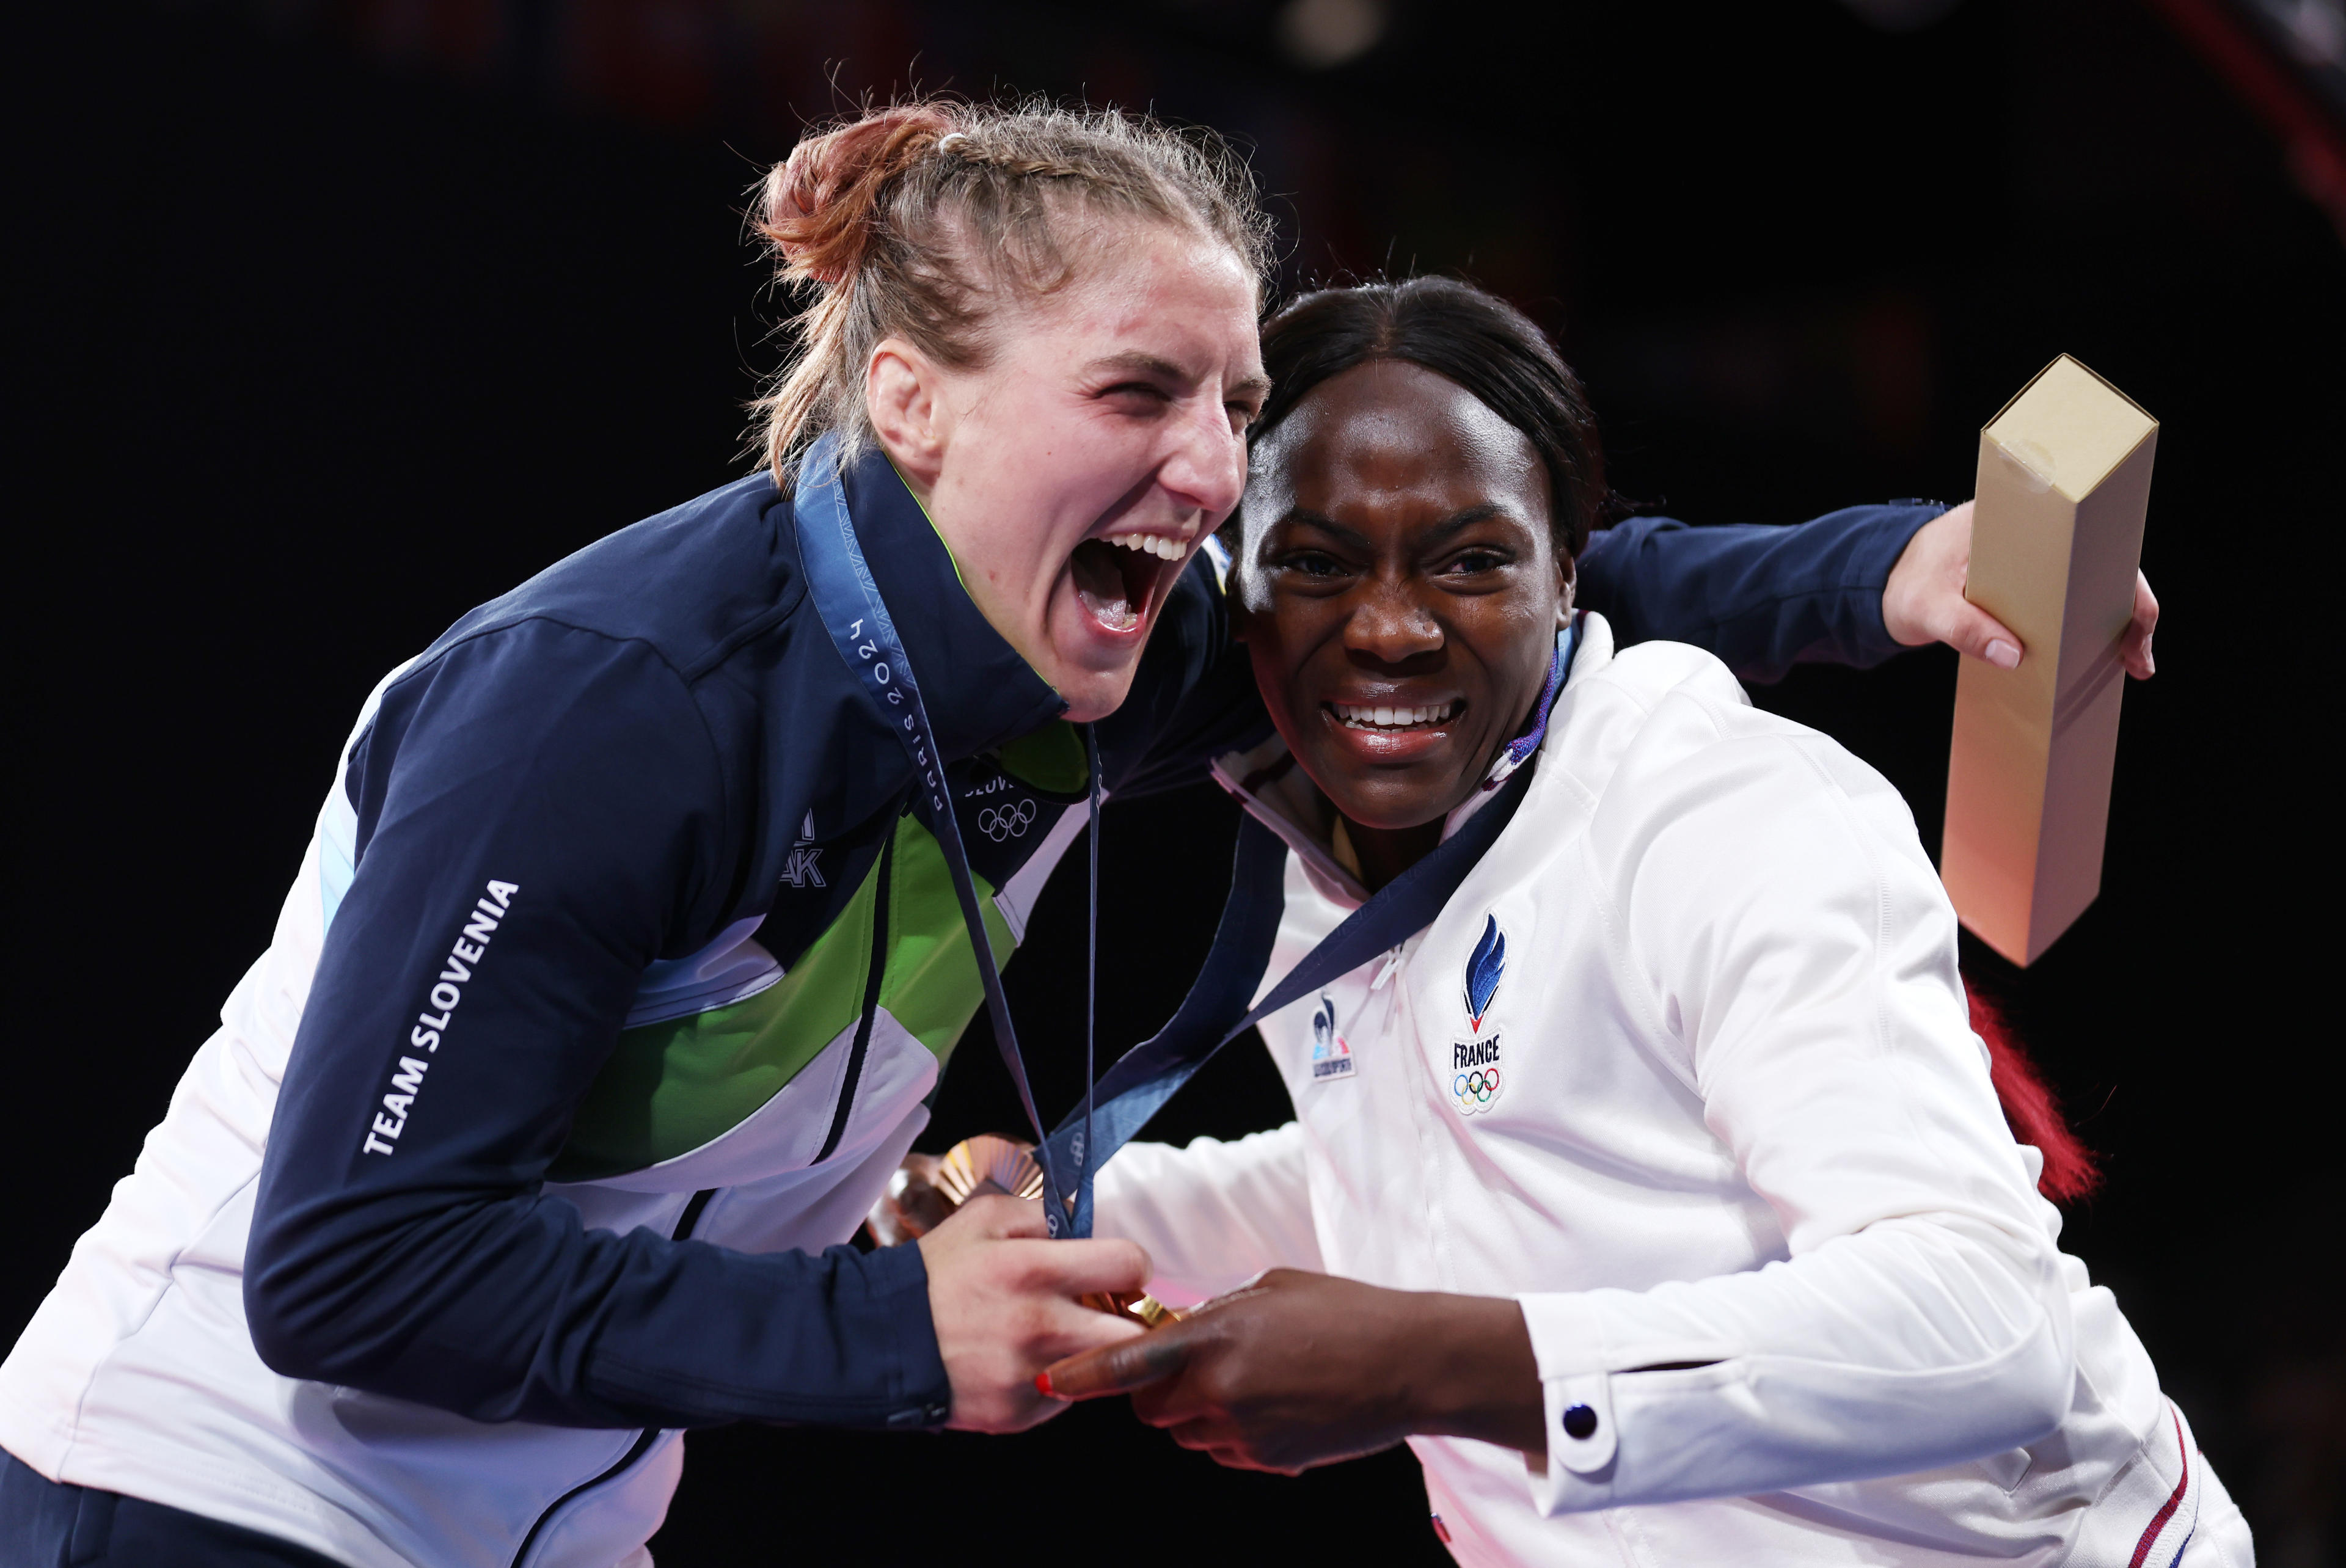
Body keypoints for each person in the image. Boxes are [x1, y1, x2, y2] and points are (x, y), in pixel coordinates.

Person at [0, 101, 2145, 1568]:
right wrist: (883, 1337)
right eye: (1143, 394)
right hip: (201, 1491)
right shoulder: (611, 708)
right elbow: (351, 1262)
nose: (1214, 472)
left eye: (1229, 406)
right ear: (911, 399)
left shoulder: (1093, 646)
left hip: (537, 1516)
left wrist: (1891, 569)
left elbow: (1469, 599)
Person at [1039, 277, 2238, 1566]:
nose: (1387, 629)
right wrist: (1065, 1211)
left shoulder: (1721, 814)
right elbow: (1449, 1155)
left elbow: (1989, 1332)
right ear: (1238, 586)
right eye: (1318, 564)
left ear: (1569, 576)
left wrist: (1435, 1363)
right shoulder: (1306, 841)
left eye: (1470, 560)